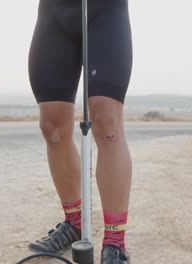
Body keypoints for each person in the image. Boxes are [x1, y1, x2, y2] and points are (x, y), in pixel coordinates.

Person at [27, 0, 133, 263]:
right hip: (54, 13)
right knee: (51, 124)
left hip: (105, 11)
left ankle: (115, 242)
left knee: (107, 121)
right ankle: (74, 221)